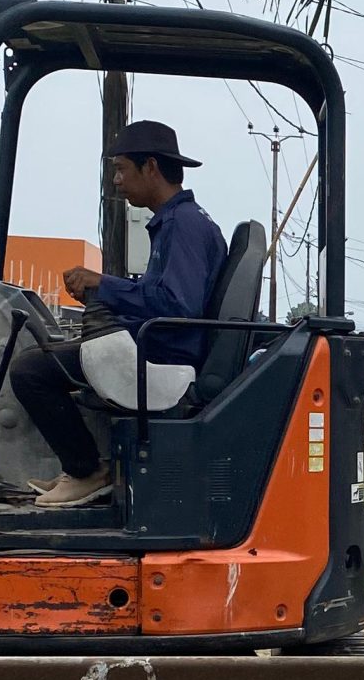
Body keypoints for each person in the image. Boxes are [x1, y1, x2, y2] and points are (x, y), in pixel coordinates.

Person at [18, 122, 228, 509]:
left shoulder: (183, 225)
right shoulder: (180, 221)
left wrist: (105, 285)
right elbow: (162, 296)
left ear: (151, 167)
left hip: (163, 352)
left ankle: (85, 471)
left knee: (31, 371)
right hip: (161, 342)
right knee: (51, 358)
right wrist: (106, 292)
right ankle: (80, 469)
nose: (116, 181)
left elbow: (177, 306)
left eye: (121, 169)